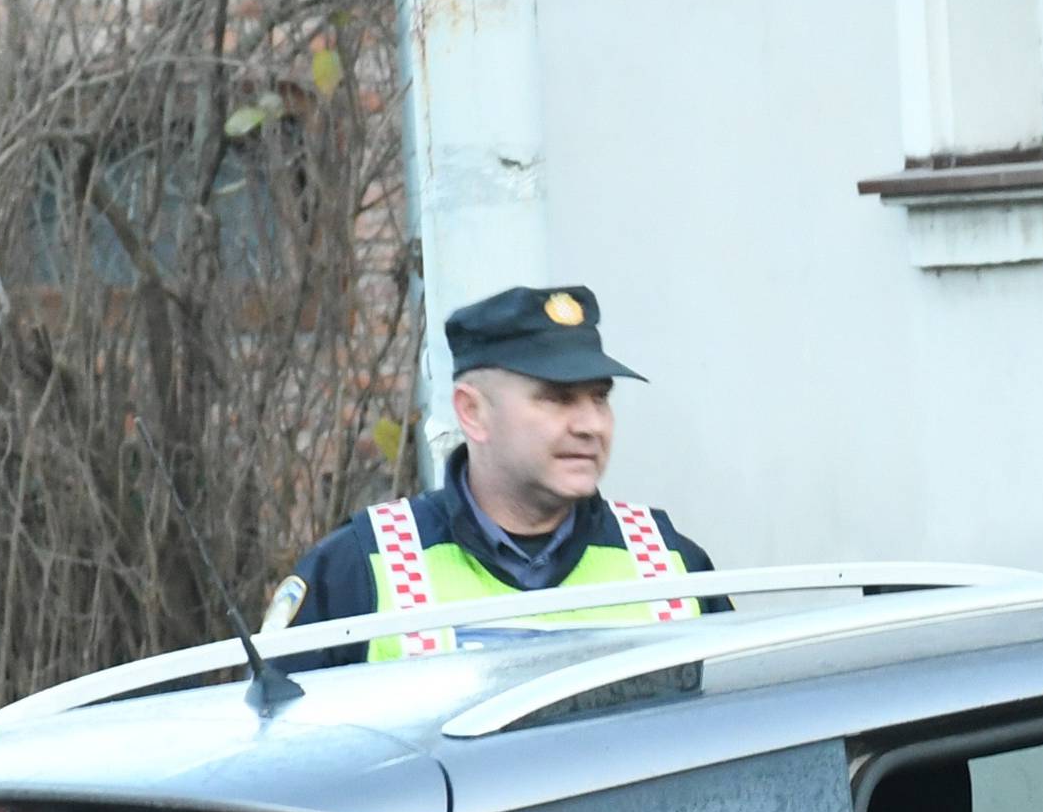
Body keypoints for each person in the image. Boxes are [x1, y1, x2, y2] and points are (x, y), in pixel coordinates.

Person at [266, 283, 721, 663]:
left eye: (599, 398)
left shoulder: (669, 560)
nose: (591, 425)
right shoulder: (360, 568)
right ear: (473, 412)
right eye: (558, 398)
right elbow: (285, 755)